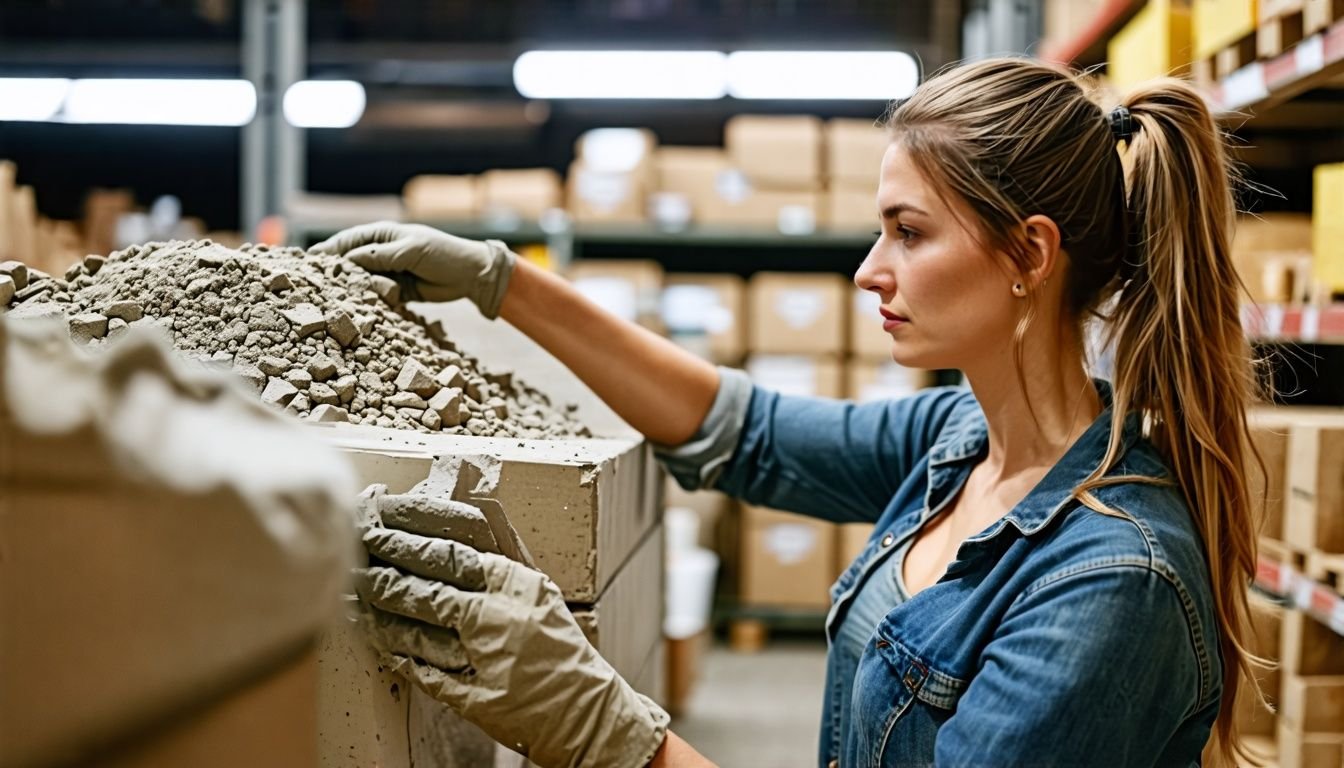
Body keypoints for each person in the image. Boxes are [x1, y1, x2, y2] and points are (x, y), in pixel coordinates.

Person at [319, 56, 1265, 767]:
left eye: (909, 232)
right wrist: (504, 283)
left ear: (1029, 254)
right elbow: (745, 432)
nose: (870, 270)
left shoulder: (1109, 585)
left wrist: (603, 732)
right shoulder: (958, 444)